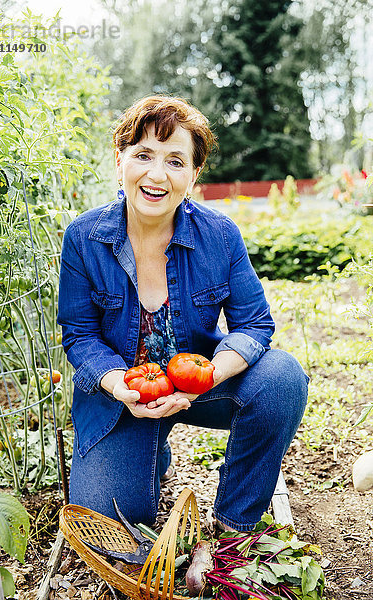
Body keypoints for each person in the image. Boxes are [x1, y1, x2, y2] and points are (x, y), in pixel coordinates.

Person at [57, 95, 309, 532]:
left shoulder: (219, 235)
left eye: (176, 161)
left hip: (195, 384)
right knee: (109, 522)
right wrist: (121, 387)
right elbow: (80, 335)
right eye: (143, 155)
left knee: (282, 378)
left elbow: (254, 323)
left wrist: (204, 379)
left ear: (193, 176)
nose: (157, 175)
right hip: (123, 399)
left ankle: (234, 525)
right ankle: (147, 450)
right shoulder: (84, 238)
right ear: (120, 162)